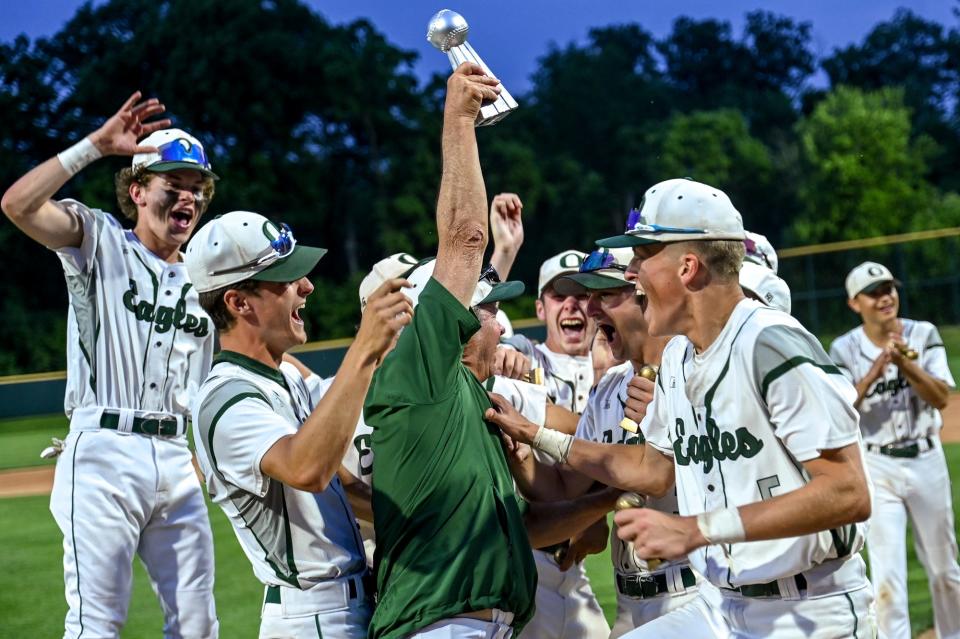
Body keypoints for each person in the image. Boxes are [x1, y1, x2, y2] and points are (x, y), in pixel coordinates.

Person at [487, 178, 877, 637]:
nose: (632, 274)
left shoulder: (767, 342)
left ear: (688, 267)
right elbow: (652, 466)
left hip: (809, 610)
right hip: (722, 606)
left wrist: (699, 529)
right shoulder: (677, 357)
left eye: (641, 258)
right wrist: (539, 436)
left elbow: (849, 491)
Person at [362, 63, 614, 639]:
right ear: (448, 322)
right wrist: (459, 122)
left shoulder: (473, 396)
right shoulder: (422, 377)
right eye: (489, 308)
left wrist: (614, 495)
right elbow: (463, 237)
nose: (500, 321)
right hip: (441, 628)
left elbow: (528, 526)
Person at [1, 93, 219, 639]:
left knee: (198, 628)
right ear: (139, 190)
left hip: (176, 456)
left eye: (197, 186)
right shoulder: (99, 240)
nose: (188, 194)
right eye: (174, 182)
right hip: (103, 452)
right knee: (97, 625)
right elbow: (17, 206)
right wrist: (94, 147)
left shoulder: (209, 279)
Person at [186, 210, 410, 638]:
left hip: (350, 604)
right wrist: (364, 348)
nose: (306, 286)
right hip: (313, 616)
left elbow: (344, 484)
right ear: (238, 302)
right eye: (287, 279)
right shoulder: (225, 399)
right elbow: (308, 469)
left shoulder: (284, 377)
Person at [508, 246, 720, 637]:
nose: (589, 310)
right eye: (587, 296)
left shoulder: (699, 374)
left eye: (604, 295)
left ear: (645, 293)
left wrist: (537, 433)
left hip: (695, 594)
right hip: (629, 603)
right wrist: (519, 452)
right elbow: (561, 488)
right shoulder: (608, 390)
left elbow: (659, 477)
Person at [830, 261, 960, 639]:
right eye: (874, 292)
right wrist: (876, 370)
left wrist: (906, 364)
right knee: (887, 576)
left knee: (944, 568)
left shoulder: (923, 333)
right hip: (877, 464)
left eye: (888, 288)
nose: (885, 297)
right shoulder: (844, 348)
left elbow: (940, 398)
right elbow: (840, 408)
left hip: (925, 458)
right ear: (856, 303)